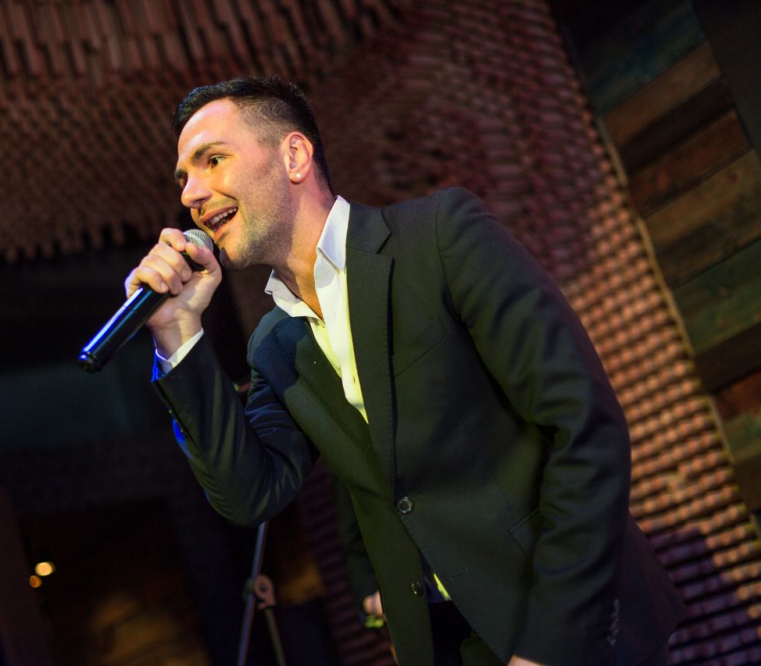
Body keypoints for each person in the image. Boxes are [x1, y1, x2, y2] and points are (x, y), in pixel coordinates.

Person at [129, 76, 685, 665]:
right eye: (183, 179)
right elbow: (249, 495)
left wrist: (550, 643)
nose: (193, 193)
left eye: (212, 160)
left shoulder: (439, 237)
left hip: (565, 621)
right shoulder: (275, 344)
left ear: (293, 156)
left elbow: (584, 429)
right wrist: (177, 334)